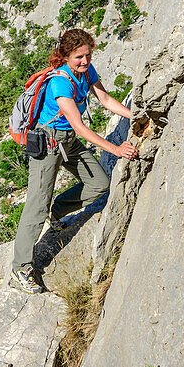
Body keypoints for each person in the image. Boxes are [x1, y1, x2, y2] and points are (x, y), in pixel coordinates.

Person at [10, 28, 138, 294]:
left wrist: (134, 115)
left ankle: (57, 211)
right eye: (79, 56)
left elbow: (104, 99)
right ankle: (21, 266)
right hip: (49, 144)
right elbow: (79, 126)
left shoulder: (86, 73)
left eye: (88, 55)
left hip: (68, 141)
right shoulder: (60, 83)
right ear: (66, 55)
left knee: (100, 183)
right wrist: (115, 149)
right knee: (36, 204)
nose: (85, 61)